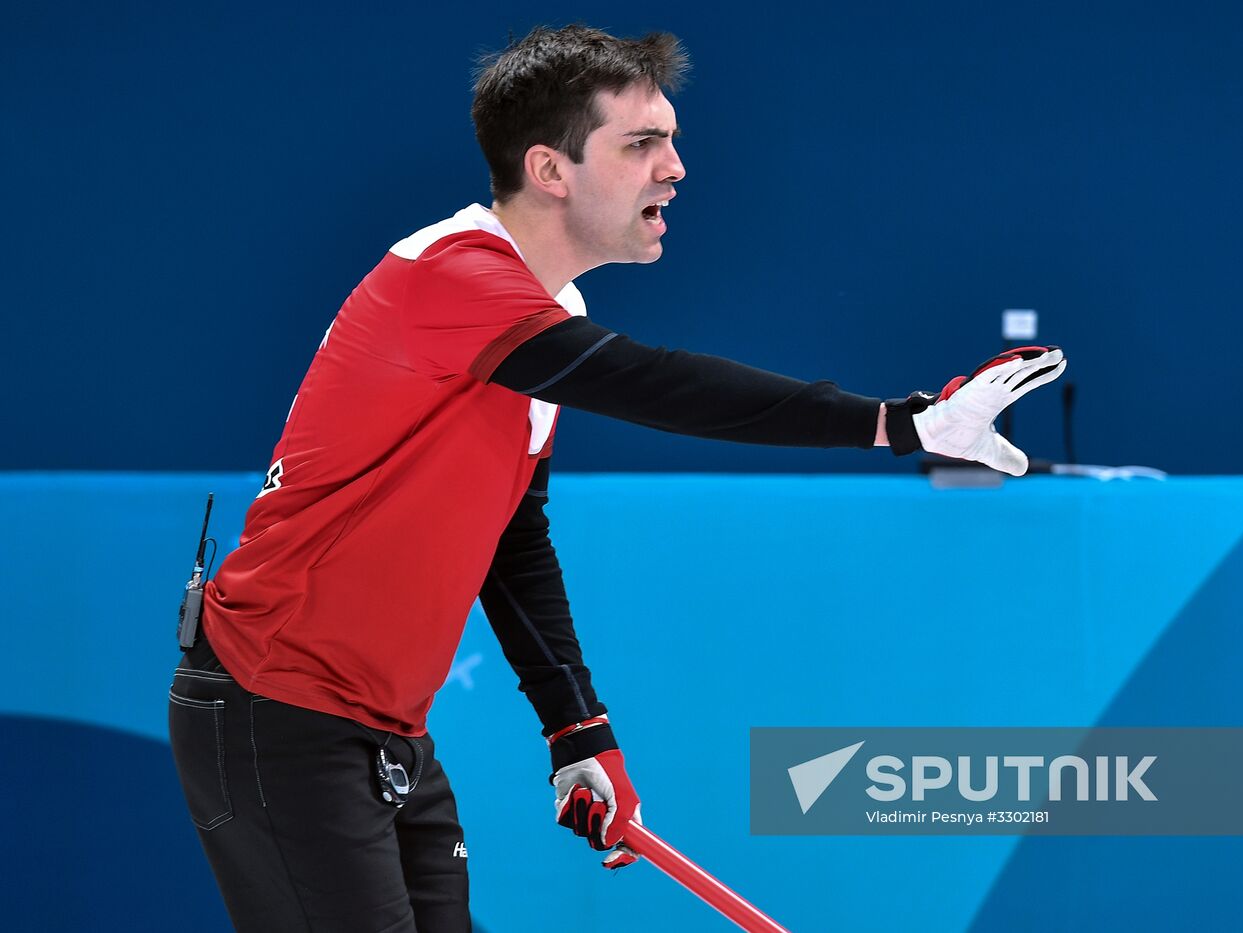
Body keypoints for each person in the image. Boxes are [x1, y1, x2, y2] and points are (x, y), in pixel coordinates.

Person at [167, 23, 1066, 933]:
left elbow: (511, 542)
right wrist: (894, 422)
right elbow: (651, 382)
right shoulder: (451, 279)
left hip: (379, 722)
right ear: (550, 170)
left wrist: (577, 730)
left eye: (670, 142)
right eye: (641, 144)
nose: (675, 169)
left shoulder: (544, 310)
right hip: (273, 702)